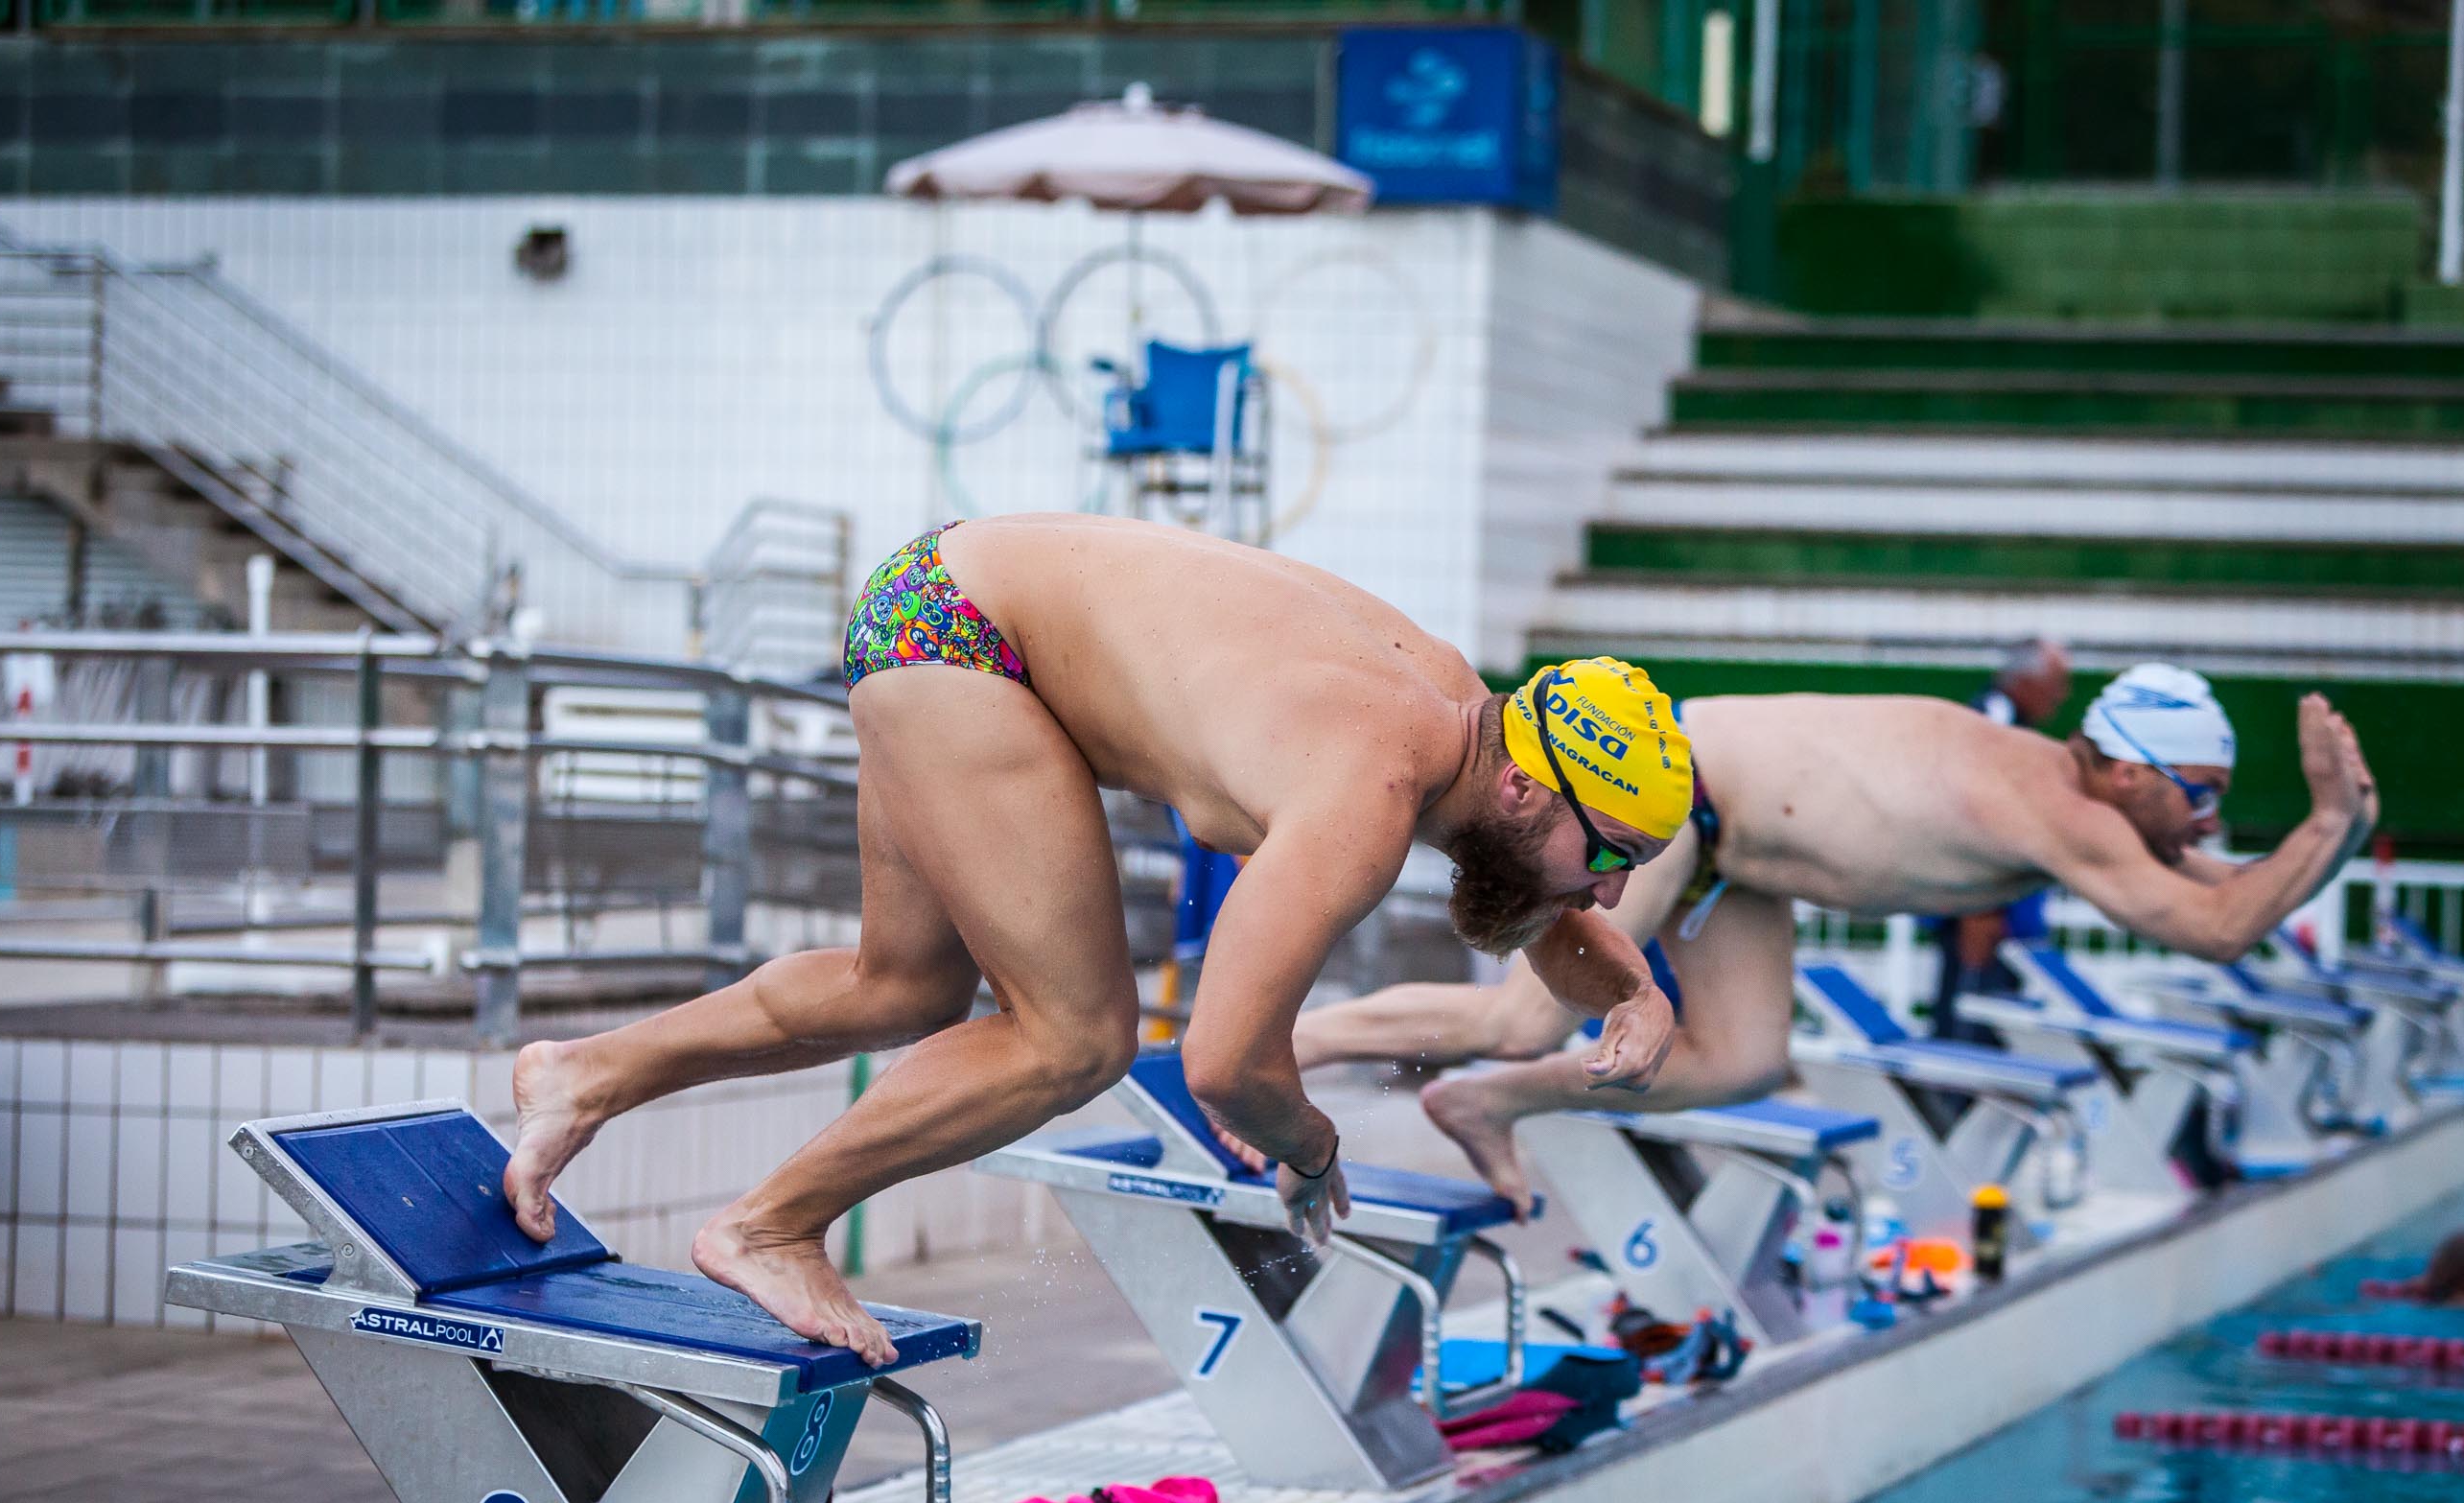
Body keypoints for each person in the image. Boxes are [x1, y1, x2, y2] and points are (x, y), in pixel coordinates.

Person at [500, 514, 1692, 1364]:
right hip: (965, 641)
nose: (1605, 894)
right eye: (1610, 861)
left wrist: (1634, 988)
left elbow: (1537, 900)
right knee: (1078, 1037)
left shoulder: (1470, 724)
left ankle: (585, 1071)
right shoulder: (1367, 787)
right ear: (1534, 793)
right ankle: (768, 1224)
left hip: (940, 594)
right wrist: (1313, 1148)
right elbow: (1227, 1062)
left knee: (897, 986)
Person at [1292, 664, 2381, 1209]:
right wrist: (2330, 824)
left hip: (1743, 856)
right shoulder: (2067, 806)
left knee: (1750, 1060)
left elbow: (2225, 891)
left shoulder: (2085, 804)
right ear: (2134, 770)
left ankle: (1487, 1100)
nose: (2205, 822)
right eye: (2200, 795)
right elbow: (2218, 930)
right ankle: (1281, 1055)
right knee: (1515, 1010)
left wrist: (2327, 838)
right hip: (1685, 795)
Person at [1932, 640, 2073, 1042]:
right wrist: (1978, 909)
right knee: (1974, 1028)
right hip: (1985, 914)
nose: (2061, 695)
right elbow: (1972, 811)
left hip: (1992, 910)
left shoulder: (2004, 720)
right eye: (2057, 683)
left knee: (1982, 1022)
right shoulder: (1995, 720)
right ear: (2026, 680)